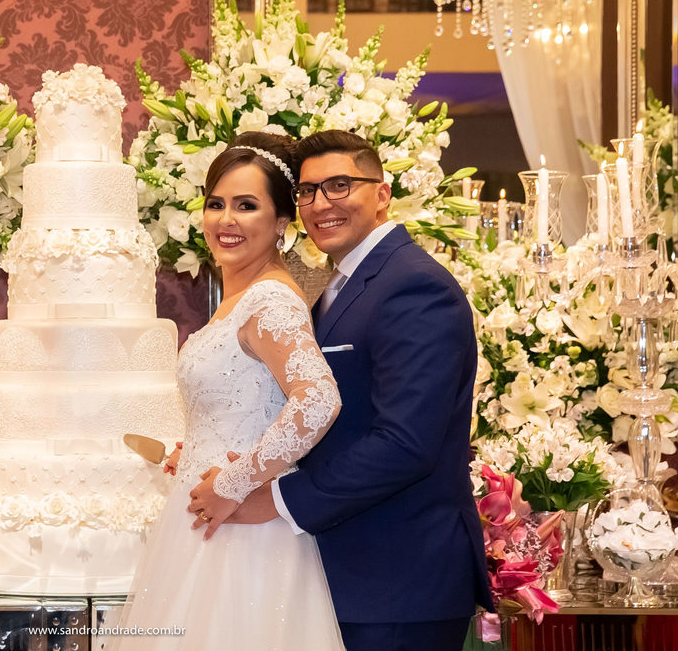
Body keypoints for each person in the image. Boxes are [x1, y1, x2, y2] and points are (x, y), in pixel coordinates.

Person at [195, 130, 494, 651]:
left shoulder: (413, 285)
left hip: (397, 577)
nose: (321, 204)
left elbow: (406, 443)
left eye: (339, 185)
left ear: (382, 193)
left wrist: (278, 498)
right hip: (346, 574)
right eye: (308, 192)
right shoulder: (342, 286)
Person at [109, 132, 345, 651]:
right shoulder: (238, 298)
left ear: (281, 224)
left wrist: (234, 480)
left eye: (246, 206)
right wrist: (191, 455)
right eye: (216, 204)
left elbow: (319, 399)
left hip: (243, 527)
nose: (226, 220)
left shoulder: (269, 301)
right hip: (204, 512)